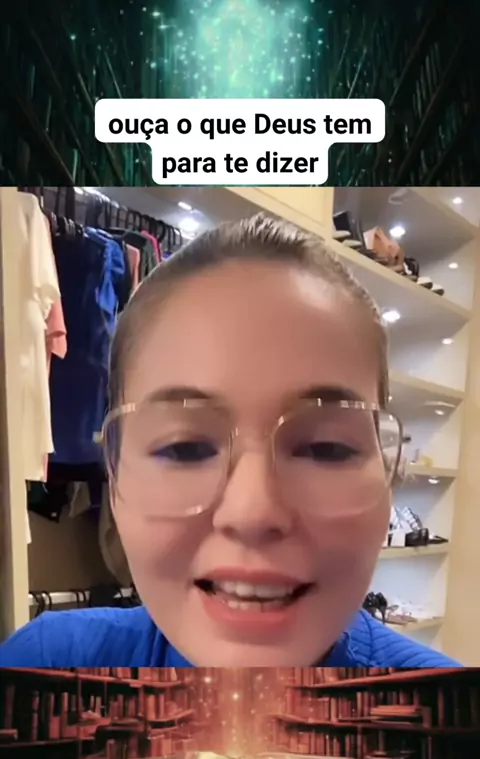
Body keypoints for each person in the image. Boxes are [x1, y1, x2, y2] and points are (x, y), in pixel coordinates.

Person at [0, 213, 460, 667]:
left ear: (390, 473)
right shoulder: (44, 665)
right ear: (115, 476)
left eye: (326, 448)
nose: (253, 512)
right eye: (184, 449)